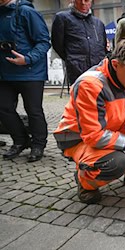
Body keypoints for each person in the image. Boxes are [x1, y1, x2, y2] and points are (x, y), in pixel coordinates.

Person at [54, 38, 125, 204]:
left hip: (111, 127)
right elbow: (93, 136)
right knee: (117, 161)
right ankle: (85, 182)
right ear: (115, 65)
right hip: (78, 138)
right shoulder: (90, 84)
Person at [0, 0, 50, 162]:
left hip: (31, 72)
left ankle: (38, 144)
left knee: (33, 110)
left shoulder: (27, 12)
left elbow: (44, 42)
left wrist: (28, 59)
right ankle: (20, 140)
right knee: (4, 108)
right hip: (4, 73)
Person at [51, 0, 107, 86]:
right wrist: (72, 59)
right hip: (77, 71)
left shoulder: (98, 23)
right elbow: (57, 44)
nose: (83, 3)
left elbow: (102, 46)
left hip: (98, 70)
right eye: (79, 0)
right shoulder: (63, 18)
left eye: (86, 0)